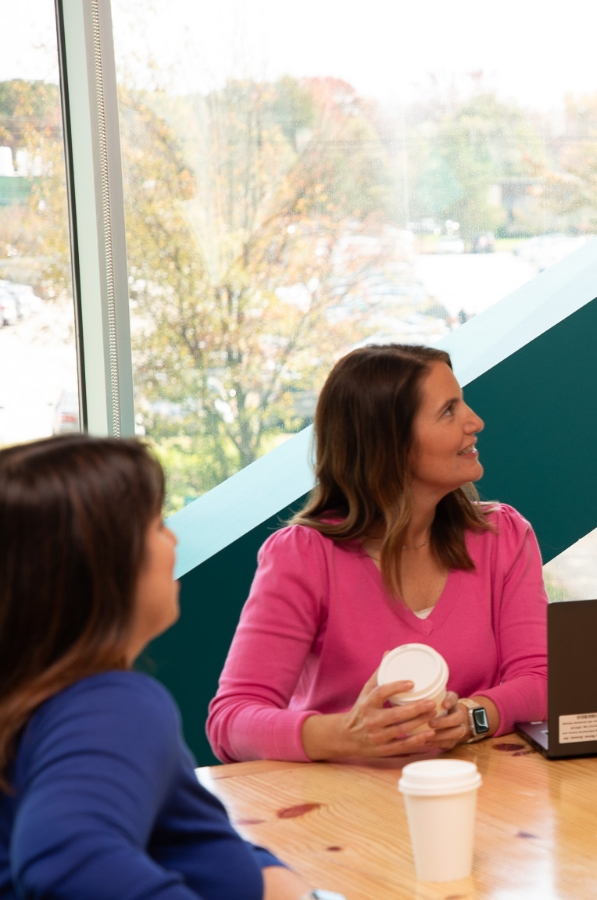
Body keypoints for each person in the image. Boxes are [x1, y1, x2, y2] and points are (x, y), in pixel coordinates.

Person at [0, 436, 317, 898]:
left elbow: (168, 838)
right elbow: (67, 860)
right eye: (157, 526)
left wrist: (265, 873)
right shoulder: (111, 704)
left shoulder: (32, 703)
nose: (173, 540)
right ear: (102, 566)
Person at [208, 344, 548, 763]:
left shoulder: (504, 536)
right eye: (448, 411)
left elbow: (541, 679)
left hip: (477, 798)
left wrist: (470, 717)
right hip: (341, 814)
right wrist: (342, 735)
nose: (475, 422)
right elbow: (231, 721)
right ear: (389, 442)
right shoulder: (303, 556)